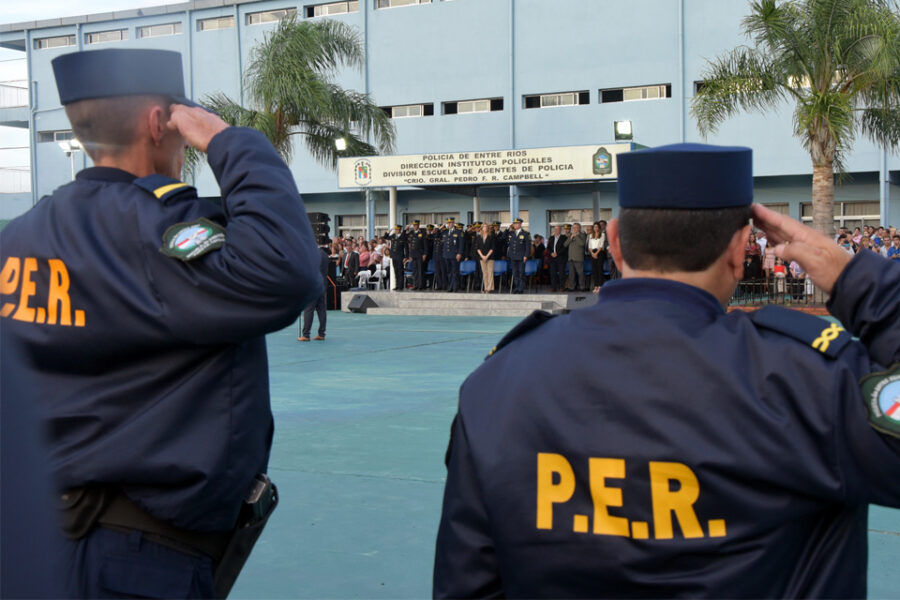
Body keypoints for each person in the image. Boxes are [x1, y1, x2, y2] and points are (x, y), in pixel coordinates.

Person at [433, 143, 900, 598]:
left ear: (615, 242)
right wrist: (855, 278)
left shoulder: (498, 382)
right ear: (741, 251)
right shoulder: (803, 381)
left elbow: (468, 582)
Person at [0, 48, 323, 598]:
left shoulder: (19, 239)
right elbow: (289, 271)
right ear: (159, 123)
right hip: (139, 558)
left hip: (35, 542)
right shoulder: (160, 234)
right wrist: (230, 140)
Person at [298, 248, 329, 342]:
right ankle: (321, 333)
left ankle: (306, 334)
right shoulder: (324, 254)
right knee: (321, 310)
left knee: (309, 309)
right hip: (322, 284)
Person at [507, 217, 531, 294]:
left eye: (517, 223)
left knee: (521, 273)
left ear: (520, 224)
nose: (515, 225)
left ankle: (521, 288)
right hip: (513, 256)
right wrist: (508, 228)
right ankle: (516, 288)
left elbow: (528, 246)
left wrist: (526, 256)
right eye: (514, 223)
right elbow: (503, 237)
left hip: (521, 256)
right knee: (515, 273)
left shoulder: (525, 234)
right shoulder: (511, 233)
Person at [442, 218, 465, 292]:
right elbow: (437, 236)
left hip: (454, 255)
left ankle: (455, 287)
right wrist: (440, 229)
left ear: (453, 223)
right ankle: (450, 286)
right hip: (446, 255)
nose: (449, 224)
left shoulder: (458, 232)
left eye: (451, 223)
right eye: (448, 223)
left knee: (455, 271)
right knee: (449, 272)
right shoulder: (445, 232)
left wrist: (459, 253)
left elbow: (461, 244)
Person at [565, 222, 587, 291]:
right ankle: (572, 287)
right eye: (573, 228)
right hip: (571, 258)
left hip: (578, 258)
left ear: (579, 228)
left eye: (576, 227)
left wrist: (576, 236)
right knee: (571, 274)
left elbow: (582, 244)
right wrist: (571, 237)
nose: (574, 229)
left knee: (580, 273)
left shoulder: (582, 235)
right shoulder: (570, 235)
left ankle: (582, 287)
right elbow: (565, 244)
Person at [475, 223, 496, 293]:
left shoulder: (491, 236)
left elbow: (492, 248)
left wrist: (487, 256)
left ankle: (490, 288)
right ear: (481, 228)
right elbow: (477, 248)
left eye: (486, 227)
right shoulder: (479, 237)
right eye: (484, 227)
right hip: (482, 257)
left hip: (490, 257)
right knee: (484, 273)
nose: (485, 228)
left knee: (490, 272)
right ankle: (486, 287)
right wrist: (482, 256)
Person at [547, 225, 568, 292]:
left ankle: (562, 287)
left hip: (561, 258)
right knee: (553, 273)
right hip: (552, 258)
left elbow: (564, 248)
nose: (556, 231)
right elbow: (548, 247)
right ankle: (553, 287)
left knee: (562, 273)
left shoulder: (564, 237)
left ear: (560, 230)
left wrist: (557, 253)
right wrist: (551, 253)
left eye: (558, 229)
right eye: (555, 229)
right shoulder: (551, 238)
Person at [587, 221, 607, 293]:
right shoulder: (590, 235)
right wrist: (592, 253)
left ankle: (600, 286)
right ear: (593, 228)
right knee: (594, 270)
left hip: (600, 253)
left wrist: (596, 253)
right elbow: (589, 246)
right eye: (594, 227)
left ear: (599, 227)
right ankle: (595, 286)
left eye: (597, 227)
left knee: (599, 270)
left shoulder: (602, 234)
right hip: (592, 253)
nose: (596, 228)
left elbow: (601, 246)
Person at [408, 220, 428, 290]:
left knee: (420, 270)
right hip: (413, 255)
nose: (415, 226)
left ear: (418, 225)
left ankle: (421, 285)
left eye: (416, 225)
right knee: (415, 271)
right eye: (414, 225)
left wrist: (425, 254)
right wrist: (410, 255)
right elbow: (410, 245)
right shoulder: (411, 233)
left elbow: (425, 245)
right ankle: (415, 285)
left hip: (420, 254)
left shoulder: (422, 233)